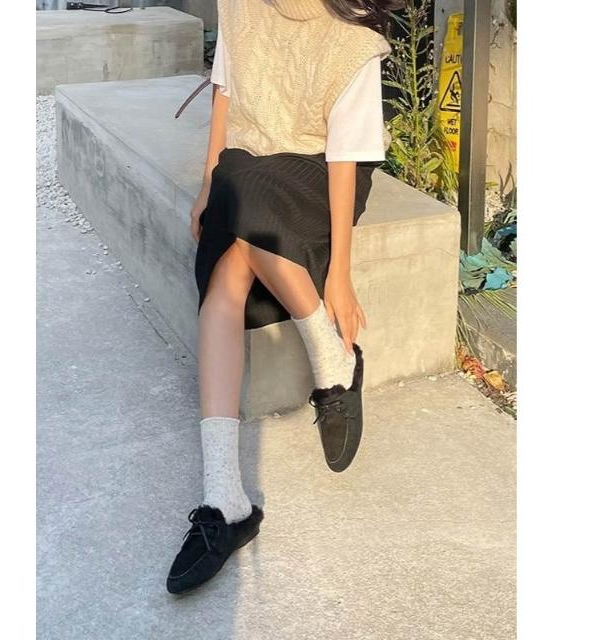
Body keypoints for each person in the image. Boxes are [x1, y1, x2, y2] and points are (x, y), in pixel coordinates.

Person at [166, 0, 393, 595]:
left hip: (316, 172)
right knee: (229, 236)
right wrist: (208, 182)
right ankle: (224, 498)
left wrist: (338, 273)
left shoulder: (353, 37)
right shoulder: (241, 6)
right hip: (247, 162)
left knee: (244, 207)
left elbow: (345, 157)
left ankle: (327, 356)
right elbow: (225, 92)